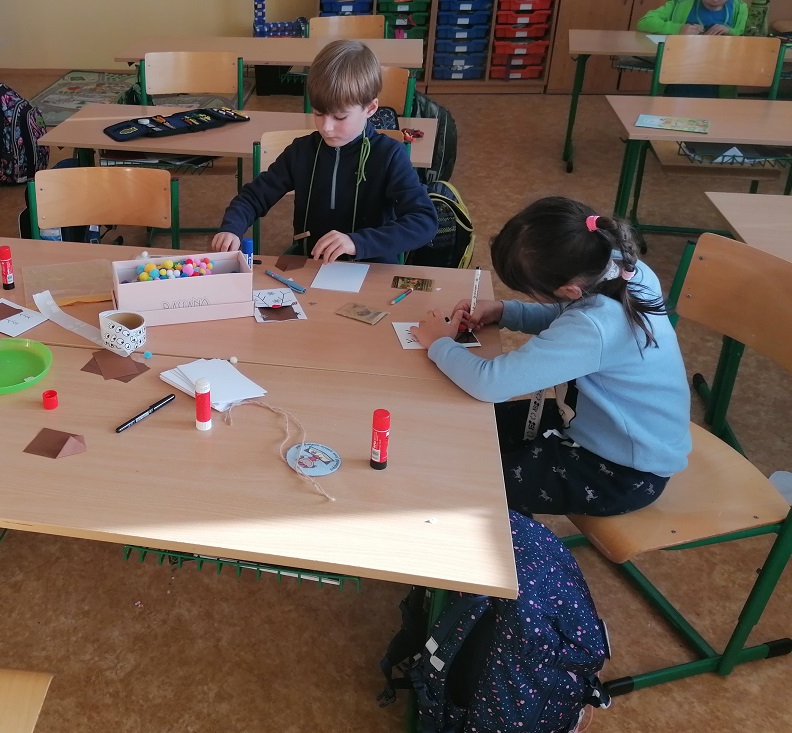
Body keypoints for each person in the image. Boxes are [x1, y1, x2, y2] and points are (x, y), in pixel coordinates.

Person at [411, 197, 690, 518]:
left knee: (475, 480)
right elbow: (571, 317)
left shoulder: (594, 327)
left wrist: (439, 344)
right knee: (469, 427)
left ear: (569, 290)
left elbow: (490, 383)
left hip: (620, 471)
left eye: (530, 291)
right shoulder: (622, 268)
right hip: (599, 424)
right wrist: (504, 311)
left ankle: (521, 541)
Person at [211, 39, 437, 264]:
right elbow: (254, 196)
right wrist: (232, 228)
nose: (326, 127)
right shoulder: (301, 151)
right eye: (319, 113)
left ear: (370, 108)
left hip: (372, 267)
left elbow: (424, 221)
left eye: (339, 117)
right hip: (312, 264)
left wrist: (358, 242)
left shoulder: (389, 155)